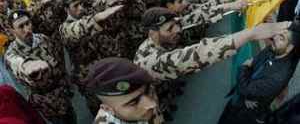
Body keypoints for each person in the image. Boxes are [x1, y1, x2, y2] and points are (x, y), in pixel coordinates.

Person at [134, 7, 291, 81]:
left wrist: (234, 2)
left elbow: (199, 14)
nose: (178, 30)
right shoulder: (148, 61)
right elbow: (197, 54)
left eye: (176, 24)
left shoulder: (160, 35)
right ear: (152, 33)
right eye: (170, 29)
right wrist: (251, 33)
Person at [218, 20, 300, 124]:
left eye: (281, 38)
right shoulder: (275, 49)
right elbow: (255, 62)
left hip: (244, 113)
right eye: (278, 34)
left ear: (289, 48)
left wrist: (244, 67)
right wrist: (249, 94)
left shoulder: (277, 77)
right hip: (241, 99)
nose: (275, 38)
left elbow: (245, 88)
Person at [4, 10, 76, 124]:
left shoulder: (42, 38)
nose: (26, 29)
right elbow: (16, 63)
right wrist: (26, 65)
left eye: (28, 23)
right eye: (21, 26)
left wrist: (66, 82)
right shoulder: (11, 53)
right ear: (12, 30)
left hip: (61, 93)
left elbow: (56, 60)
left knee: (72, 119)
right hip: (45, 102)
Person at [85, 57, 164, 124]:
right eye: (133, 103)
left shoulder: (147, 104)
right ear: (107, 109)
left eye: (148, 91)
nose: (153, 104)